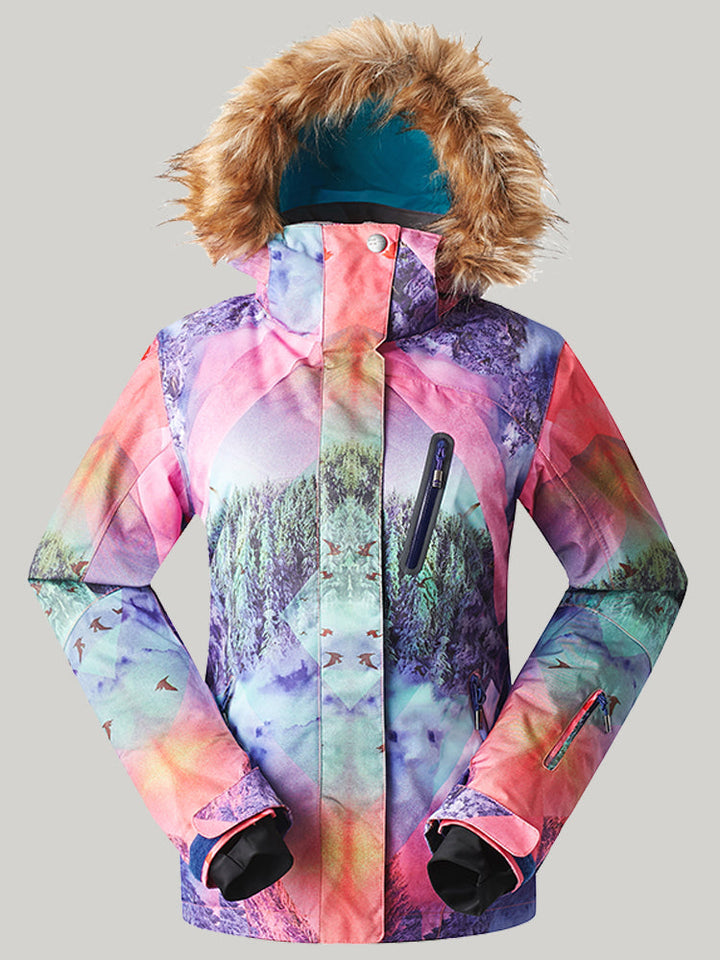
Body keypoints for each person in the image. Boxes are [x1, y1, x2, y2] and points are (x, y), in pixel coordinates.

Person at [28, 17, 687, 944]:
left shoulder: (523, 367)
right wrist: (211, 802)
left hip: (454, 881)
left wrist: (506, 807)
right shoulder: (191, 364)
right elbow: (81, 572)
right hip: (257, 885)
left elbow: (634, 580)